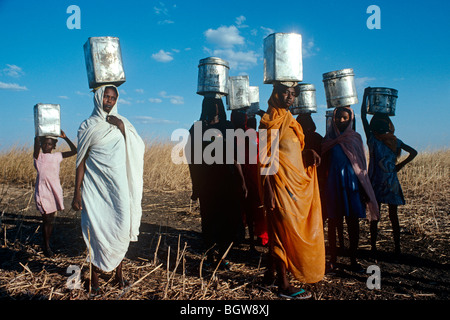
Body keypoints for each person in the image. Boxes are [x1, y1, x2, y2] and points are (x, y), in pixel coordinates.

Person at [71, 85, 145, 291]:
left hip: (118, 188)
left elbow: (138, 147)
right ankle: (94, 278)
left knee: (120, 228)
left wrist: (121, 127)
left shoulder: (124, 123)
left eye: (113, 98)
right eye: (106, 97)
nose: (109, 101)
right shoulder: (87, 126)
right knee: (97, 231)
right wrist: (76, 192)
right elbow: (81, 162)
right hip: (96, 189)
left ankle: (118, 275)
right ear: (98, 98)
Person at [260, 82, 324, 299]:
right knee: (281, 233)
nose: (289, 97)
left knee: (283, 229)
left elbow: (292, 150)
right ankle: (284, 285)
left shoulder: (289, 120)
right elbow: (264, 158)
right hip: (278, 186)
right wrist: (267, 188)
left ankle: (269, 277)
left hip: (294, 185)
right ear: (275, 93)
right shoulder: (269, 121)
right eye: (285, 92)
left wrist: (308, 153)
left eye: (293, 93)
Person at [186, 97, 247, 268]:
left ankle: (223, 256)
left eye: (216, 104)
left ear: (220, 107)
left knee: (227, 220)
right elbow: (192, 158)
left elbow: (235, 157)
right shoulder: (197, 128)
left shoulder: (227, 126)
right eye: (210, 103)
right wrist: (195, 185)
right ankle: (210, 256)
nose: (214, 108)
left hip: (227, 180)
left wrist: (242, 181)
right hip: (206, 182)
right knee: (208, 220)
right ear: (204, 106)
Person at [321, 107, 379, 272]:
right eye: (338, 117)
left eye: (344, 118)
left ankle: (353, 259)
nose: (340, 121)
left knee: (353, 222)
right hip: (333, 186)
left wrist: (362, 189)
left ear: (350, 120)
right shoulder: (328, 140)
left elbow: (361, 166)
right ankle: (333, 259)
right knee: (333, 222)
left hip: (352, 186)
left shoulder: (355, 139)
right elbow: (322, 164)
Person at [361, 88, 417, 256]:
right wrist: (399, 166)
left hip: (377, 182)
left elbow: (363, 116)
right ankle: (393, 248)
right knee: (389, 216)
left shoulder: (373, 139)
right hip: (389, 182)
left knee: (376, 216)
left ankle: (377, 247)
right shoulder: (394, 141)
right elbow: (413, 152)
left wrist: (365, 96)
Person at [33, 130, 77, 257]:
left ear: (54, 146)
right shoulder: (38, 157)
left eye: (50, 144)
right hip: (43, 191)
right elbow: (36, 142)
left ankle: (47, 243)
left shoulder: (57, 156)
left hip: (54, 191)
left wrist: (65, 137)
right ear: (41, 145)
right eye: (45, 144)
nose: (47, 146)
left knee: (50, 219)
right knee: (46, 218)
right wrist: (39, 132)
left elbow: (74, 151)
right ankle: (46, 246)